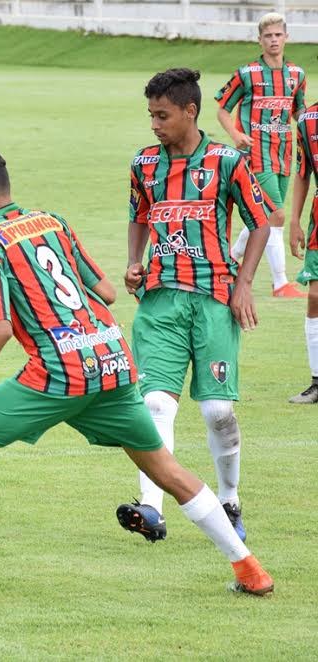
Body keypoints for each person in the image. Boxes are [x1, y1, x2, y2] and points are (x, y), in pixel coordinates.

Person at [0, 148, 273, 611]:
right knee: (166, 470)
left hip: (59, 371)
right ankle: (249, 569)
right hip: (112, 360)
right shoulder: (53, 222)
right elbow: (106, 291)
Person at [119, 68, 271, 545]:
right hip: (160, 300)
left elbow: (260, 221)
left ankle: (229, 499)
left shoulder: (227, 161)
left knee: (217, 412)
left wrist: (244, 284)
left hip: (213, 299)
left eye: (162, 115)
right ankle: (152, 507)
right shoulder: (144, 163)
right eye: (150, 115)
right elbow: (139, 214)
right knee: (155, 404)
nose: (154, 125)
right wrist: (133, 261)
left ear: (190, 111)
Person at [216, 12, 307, 298]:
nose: (273, 40)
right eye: (268, 36)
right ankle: (280, 283)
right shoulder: (247, 73)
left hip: (284, 154)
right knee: (277, 214)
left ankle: (230, 257)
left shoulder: (297, 75)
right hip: (255, 156)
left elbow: (299, 112)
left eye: (278, 35)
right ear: (260, 40)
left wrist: (309, 131)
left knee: (265, 216)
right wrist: (236, 135)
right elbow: (222, 110)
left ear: (286, 37)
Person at [287, 101, 318, 403]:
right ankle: (317, 380)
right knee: (315, 297)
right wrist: (295, 220)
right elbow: (302, 173)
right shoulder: (307, 120)